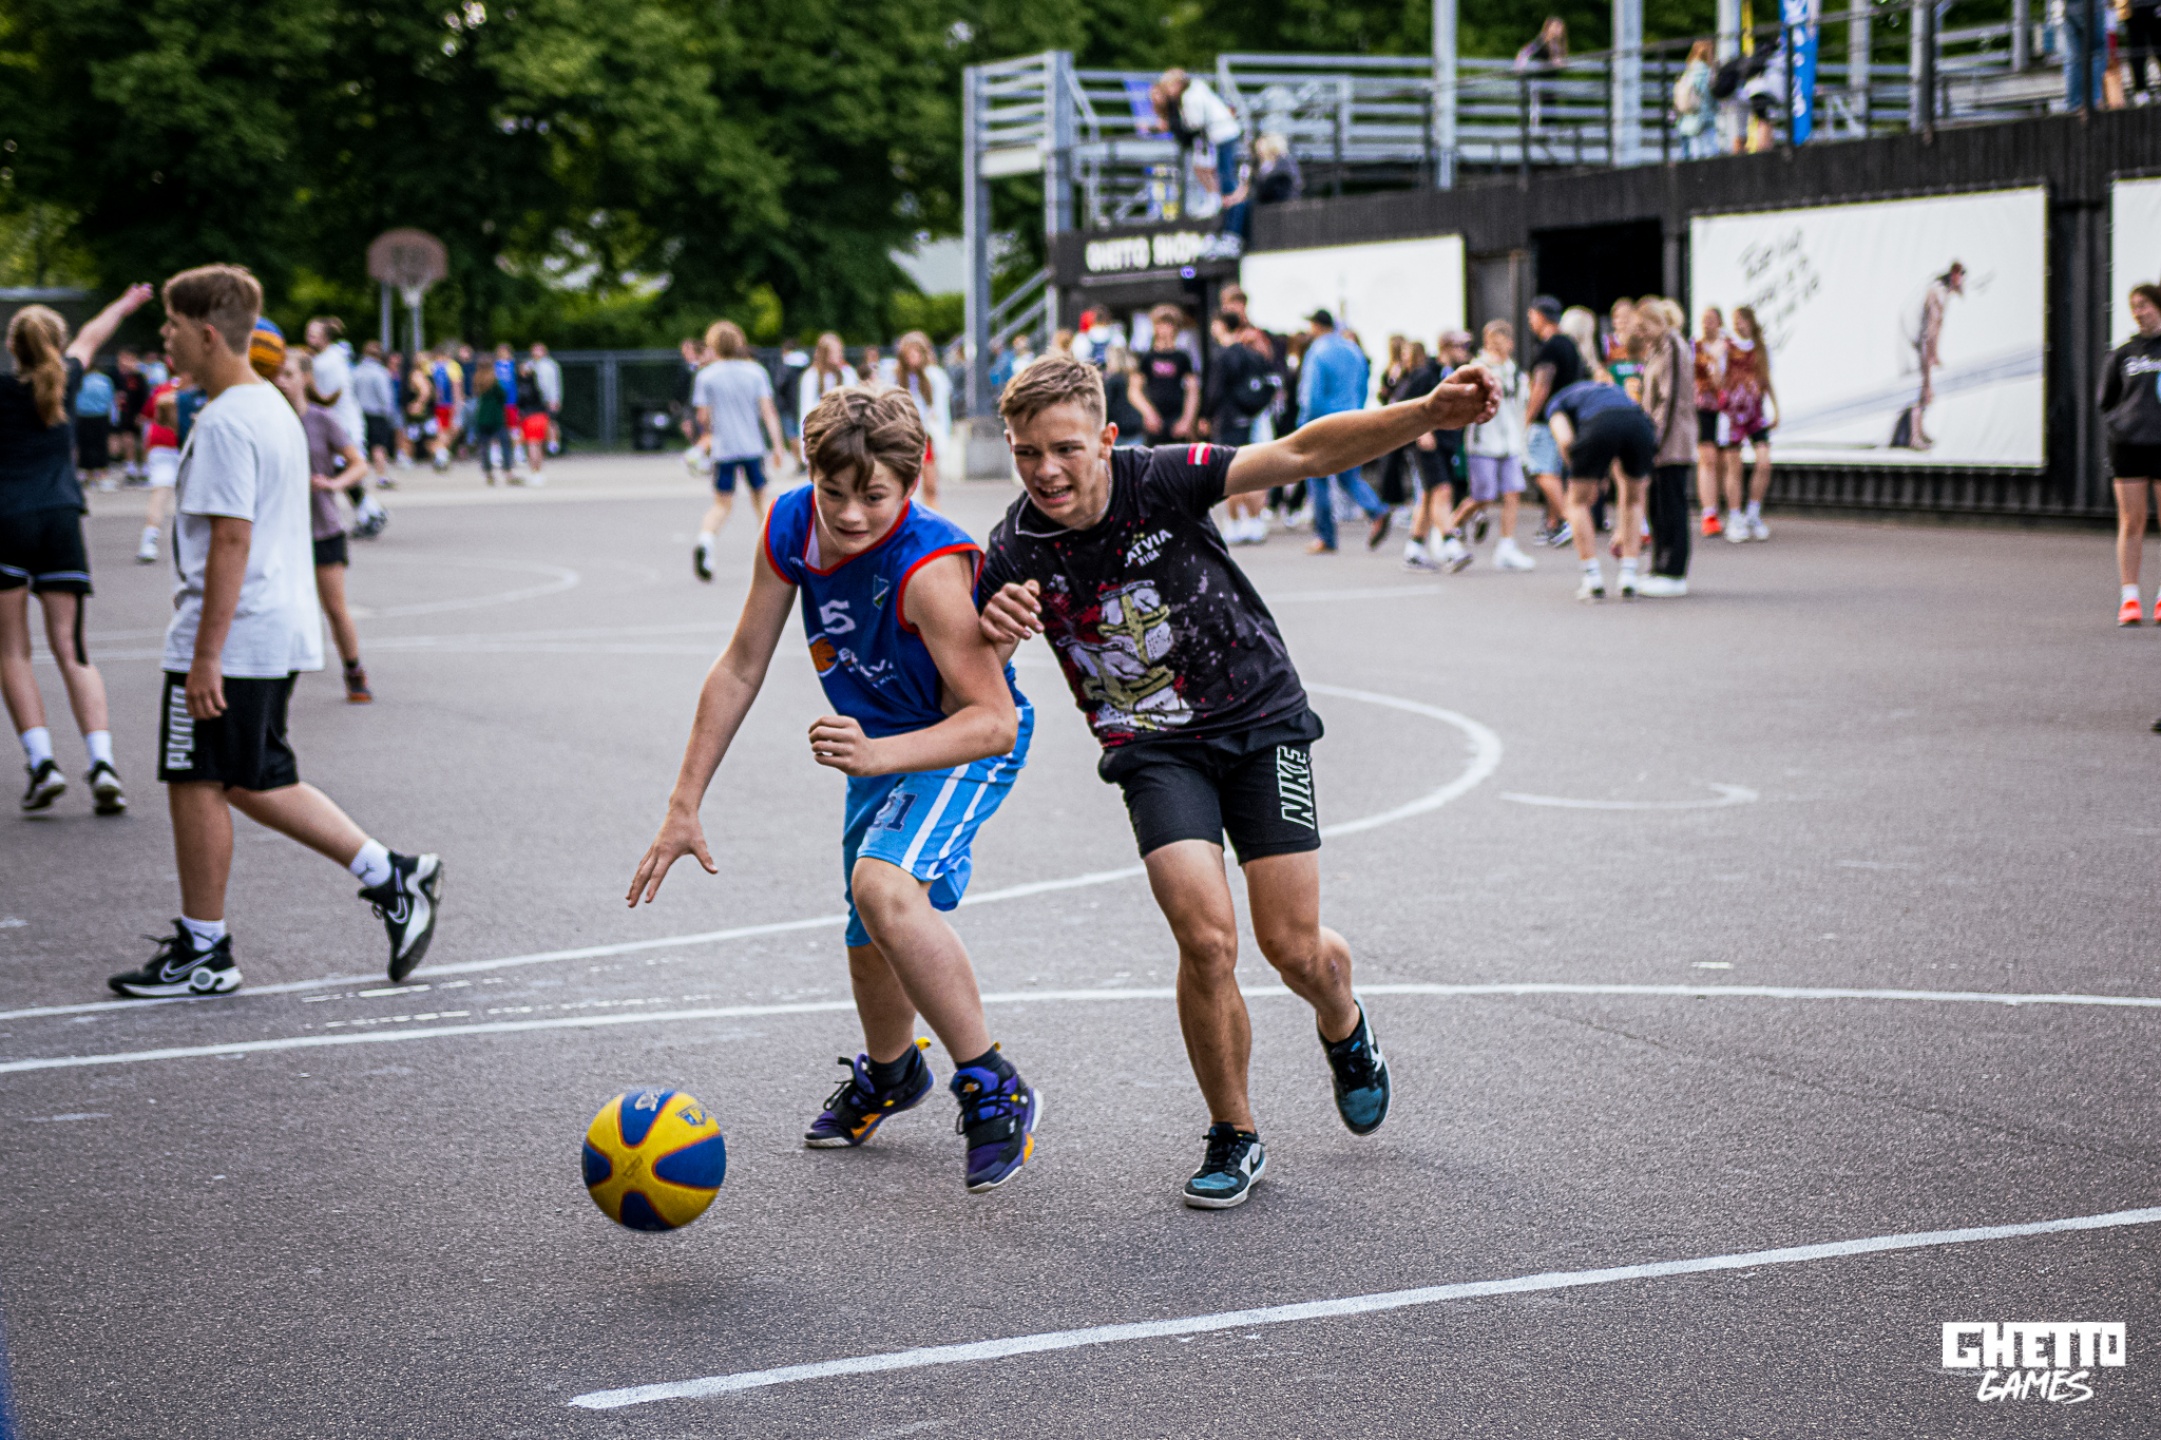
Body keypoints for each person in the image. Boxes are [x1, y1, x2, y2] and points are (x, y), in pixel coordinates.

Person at [975, 354, 1497, 1206]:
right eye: (1027, 452)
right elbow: (969, 680)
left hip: (1261, 721)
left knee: (1293, 948)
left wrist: (1426, 414)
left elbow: (1300, 452)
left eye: (1065, 448)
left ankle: (1343, 1023)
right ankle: (1234, 1131)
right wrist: (991, 633)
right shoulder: (1012, 551)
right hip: (1152, 746)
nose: (1047, 471)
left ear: (1105, 439)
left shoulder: (1161, 479)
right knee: (1207, 940)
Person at [628, 387, 1041, 1193]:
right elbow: (740, 665)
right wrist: (684, 802)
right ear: (809, 473)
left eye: (873, 496)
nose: (850, 514)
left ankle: (992, 1084)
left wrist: (880, 755)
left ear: (913, 482)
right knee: (867, 932)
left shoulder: (927, 568)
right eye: (833, 492)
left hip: (958, 740)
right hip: (880, 746)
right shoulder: (790, 525)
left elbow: (992, 721)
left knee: (881, 889)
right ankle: (892, 1073)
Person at [108, 265, 441, 999]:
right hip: (268, 627)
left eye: (171, 325)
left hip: (234, 633)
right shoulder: (268, 408)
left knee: (197, 777)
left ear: (205, 334)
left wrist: (205, 655)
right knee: (248, 776)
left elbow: (232, 540)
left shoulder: (226, 421)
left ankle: (205, 949)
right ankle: (391, 875)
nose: (163, 337)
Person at [1, 288, 149, 816]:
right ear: (57, 344)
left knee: (12, 651)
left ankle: (43, 763)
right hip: (61, 517)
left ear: (12, 347)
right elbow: (92, 336)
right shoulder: (67, 378)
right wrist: (125, 304)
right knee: (73, 649)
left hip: (7, 519)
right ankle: (102, 763)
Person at [279, 348, 373, 702]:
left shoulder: (321, 420)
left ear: (305, 378)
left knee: (334, 608)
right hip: (283, 532)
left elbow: (358, 464)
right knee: (282, 608)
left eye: (288, 374)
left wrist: (334, 483)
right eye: (275, 375)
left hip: (322, 529)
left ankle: (354, 670)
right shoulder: (270, 420)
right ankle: (274, 680)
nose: (281, 381)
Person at [1437, 319, 1537, 573]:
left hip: (1510, 441)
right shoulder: (1477, 369)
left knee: (1513, 492)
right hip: (1483, 442)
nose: (1497, 348)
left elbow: (1521, 406)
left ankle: (1507, 545)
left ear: (1510, 344)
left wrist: (1523, 437)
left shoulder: (1515, 372)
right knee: (1483, 496)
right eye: (1492, 342)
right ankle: (1449, 529)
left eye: (1501, 342)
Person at [691, 320, 787, 581]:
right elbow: (768, 412)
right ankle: (771, 554)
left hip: (724, 449)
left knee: (722, 504)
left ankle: (706, 541)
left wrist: (706, 440)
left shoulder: (706, 376)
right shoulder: (755, 372)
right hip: (751, 446)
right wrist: (778, 446)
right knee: (761, 501)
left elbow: (703, 418)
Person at [1547, 375, 1658, 600]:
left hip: (1598, 425)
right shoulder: (1612, 390)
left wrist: (1581, 475)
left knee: (1576, 502)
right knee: (1634, 499)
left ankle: (1592, 578)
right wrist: (1600, 475)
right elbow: (1618, 449)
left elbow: (1565, 440)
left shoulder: (1557, 402)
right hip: (1638, 423)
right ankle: (1629, 576)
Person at [1298, 309, 1392, 553]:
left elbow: (1312, 395)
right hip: (1351, 420)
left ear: (1317, 326)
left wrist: (1304, 424)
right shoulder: (1352, 349)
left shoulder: (1317, 352)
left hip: (1323, 423)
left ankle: (1325, 536)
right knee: (1348, 476)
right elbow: (1363, 387)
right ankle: (1376, 510)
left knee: (1317, 477)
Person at [2102, 283, 2161, 625]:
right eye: (2134, 306)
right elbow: (2106, 400)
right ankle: (2130, 598)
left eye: (2145, 305)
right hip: (2128, 447)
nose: (2139, 312)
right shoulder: (2123, 354)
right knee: (2131, 520)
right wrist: (2122, 424)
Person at [1635, 298, 1697, 597]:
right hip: (1660, 437)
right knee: (1657, 505)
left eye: (1643, 327)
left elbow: (1671, 399)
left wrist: (1656, 439)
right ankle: (1660, 566)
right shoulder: (1658, 348)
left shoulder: (1672, 346)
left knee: (1671, 505)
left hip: (1670, 440)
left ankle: (1673, 571)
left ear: (1657, 322)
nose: (1640, 333)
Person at [305, 318, 387, 535]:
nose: (308, 338)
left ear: (325, 337)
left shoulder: (324, 364)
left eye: (313, 334)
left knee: (344, 470)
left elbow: (324, 397)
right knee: (344, 472)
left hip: (342, 424)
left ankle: (371, 511)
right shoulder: (333, 357)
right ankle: (369, 512)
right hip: (344, 421)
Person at [1202, 311, 1278, 544]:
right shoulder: (1254, 356)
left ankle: (1234, 522)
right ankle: (1254, 521)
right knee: (1252, 472)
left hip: (1228, 420)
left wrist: (1205, 416)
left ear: (1221, 326)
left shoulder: (1222, 356)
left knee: (1230, 472)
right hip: (1250, 419)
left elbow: (1215, 391)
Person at [1523, 295, 1585, 546]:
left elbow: (1542, 385)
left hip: (1546, 419)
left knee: (1541, 471)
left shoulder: (1549, 347)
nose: (1530, 322)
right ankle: (1553, 524)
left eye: (1531, 316)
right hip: (1566, 418)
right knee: (1554, 471)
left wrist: (1528, 417)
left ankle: (1569, 521)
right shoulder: (1569, 344)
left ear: (1540, 316)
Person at [1153, 68, 1244, 219]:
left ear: (1177, 84)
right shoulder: (1196, 88)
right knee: (1213, 170)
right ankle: (1221, 204)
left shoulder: (1189, 97)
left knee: (1223, 174)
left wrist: (1181, 125)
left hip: (1221, 134)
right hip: (1221, 133)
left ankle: (1231, 211)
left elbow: (1195, 123)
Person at [1720, 305, 1776, 541]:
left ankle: (1753, 512)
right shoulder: (1727, 348)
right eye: (1735, 320)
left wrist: (1775, 408)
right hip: (1733, 414)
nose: (1738, 324)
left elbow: (1766, 380)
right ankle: (1735, 516)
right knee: (1734, 466)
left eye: (1741, 320)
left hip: (1755, 413)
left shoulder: (1762, 349)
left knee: (1764, 463)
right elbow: (1719, 379)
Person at [1900, 263, 1965, 453]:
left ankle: (1918, 431)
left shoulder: (1940, 291)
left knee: (1924, 386)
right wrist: (1930, 357)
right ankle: (1914, 437)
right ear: (1954, 277)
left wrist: (1934, 355)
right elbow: (1929, 333)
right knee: (1921, 388)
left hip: (1917, 338)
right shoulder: (1937, 294)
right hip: (1913, 340)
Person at [895, 330, 951, 509]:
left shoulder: (933, 376)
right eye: (909, 353)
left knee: (930, 484)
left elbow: (941, 410)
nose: (912, 357)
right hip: (903, 435)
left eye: (916, 352)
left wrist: (942, 435)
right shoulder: (897, 377)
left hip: (926, 434)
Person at [1132, 305, 1200, 446]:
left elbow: (1193, 390)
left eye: (1169, 324)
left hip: (1176, 419)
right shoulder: (1147, 357)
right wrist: (1148, 413)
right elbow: (1134, 390)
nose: (1164, 329)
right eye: (1160, 324)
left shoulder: (1182, 357)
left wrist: (1187, 420)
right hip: (1154, 421)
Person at [137, 374, 184, 564]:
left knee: (160, 493)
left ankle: (149, 540)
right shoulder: (198, 389)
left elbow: (147, 415)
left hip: (160, 444)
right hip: (179, 445)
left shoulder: (162, 388)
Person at [1693, 307, 1730, 536]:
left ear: (1719, 322)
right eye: (1704, 320)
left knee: (1724, 460)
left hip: (1726, 408)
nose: (1707, 324)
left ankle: (1727, 507)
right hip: (1703, 406)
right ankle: (1709, 512)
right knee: (1706, 458)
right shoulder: (1695, 347)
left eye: (1711, 320)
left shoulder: (1729, 347)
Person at [353, 340, 401, 486]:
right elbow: (385, 397)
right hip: (377, 414)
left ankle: (359, 478)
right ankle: (381, 476)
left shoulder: (356, 371)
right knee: (378, 447)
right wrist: (389, 414)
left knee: (361, 447)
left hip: (360, 413)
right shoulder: (380, 372)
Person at [73, 360, 115, 492]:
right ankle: (102, 473)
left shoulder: (81, 380)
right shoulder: (105, 380)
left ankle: (88, 473)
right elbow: (110, 398)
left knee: (85, 445)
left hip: (83, 415)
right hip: (101, 415)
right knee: (100, 445)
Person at [468, 363, 512, 484]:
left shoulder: (477, 381)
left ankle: (488, 472)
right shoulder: (494, 383)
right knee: (505, 443)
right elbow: (503, 396)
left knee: (484, 446)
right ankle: (507, 471)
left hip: (482, 417)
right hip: (496, 417)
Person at [1674, 40, 1718, 160]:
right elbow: (1709, 96)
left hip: (1687, 117)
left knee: (1692, 151)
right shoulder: (1706, 72)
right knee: (1710, 152)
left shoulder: (1688, 71)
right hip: (1704, 117)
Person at [527, 341, 563, 455]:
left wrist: (555, 399)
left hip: (549, 399)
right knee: (537, 423)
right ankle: (539, 446)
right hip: (534, 401)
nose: (536, 352)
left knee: (551, 421)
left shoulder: (551, 365)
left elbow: (555, 383)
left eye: (539, 350)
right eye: (534, 350)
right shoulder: (529, 365)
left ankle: (553, 444)